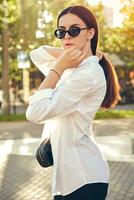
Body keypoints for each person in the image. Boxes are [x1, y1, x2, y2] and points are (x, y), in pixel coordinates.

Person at [26, 5, 120, 200]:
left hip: (84, 179)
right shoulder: (75, 69)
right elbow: (37, 53)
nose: (66, 37)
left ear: (90, 33)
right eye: (61, 32)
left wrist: (59, 67)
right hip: (71, 178)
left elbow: (34, 112)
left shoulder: (87, 75)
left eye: (74, 30)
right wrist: (70, 55)